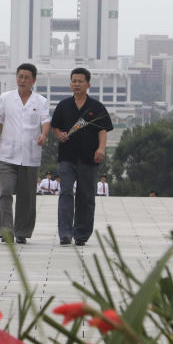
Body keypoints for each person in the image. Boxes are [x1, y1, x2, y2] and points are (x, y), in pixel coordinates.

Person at [50, 67, 113, 246]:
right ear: (70, 84)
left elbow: (103, 130)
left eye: (80, 81)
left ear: (88, 84)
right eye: (74, 81)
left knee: (86, 196)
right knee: (66, 192)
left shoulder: (96, 107)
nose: (76, 84)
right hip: (67, 157)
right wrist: (58, 134)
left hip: (89, 158)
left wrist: (101, 148)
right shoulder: (63, 106)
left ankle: (81, 234)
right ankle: (65, 233)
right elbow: (55, 127)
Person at [0, 63, 50, 244]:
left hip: (30, 155)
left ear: (33, 80)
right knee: (5, 190)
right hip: (7, 154)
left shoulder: (40, 101)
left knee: (27, 196)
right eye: (20, 76)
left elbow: (46, 121)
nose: (22, 80)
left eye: (26, 77)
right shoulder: (5, 98)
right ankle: (6, 230)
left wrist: (44, 135)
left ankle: (22, 231)